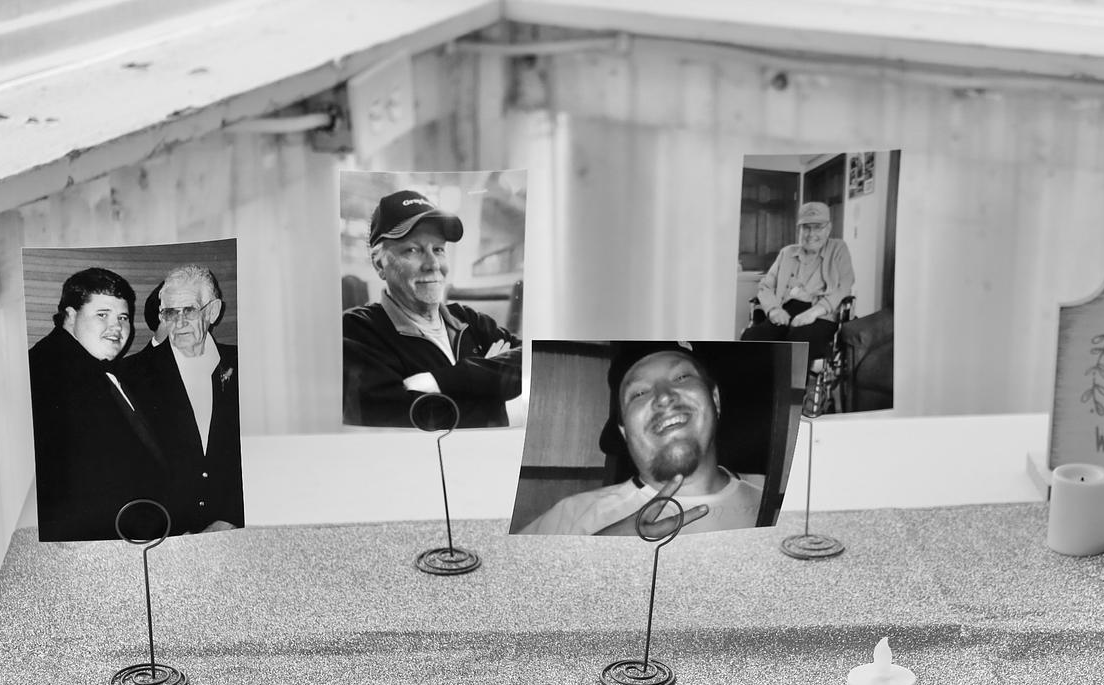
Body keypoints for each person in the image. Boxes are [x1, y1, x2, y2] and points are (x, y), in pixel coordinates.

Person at [519, 347, 762, 535]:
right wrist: (596, 551)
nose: (664, 397)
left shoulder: (773, 500)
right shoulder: (572, 519)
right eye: (639, 393)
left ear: (715, 400)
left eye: (681, 377)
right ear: (624, 431)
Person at [342, 189, 522, 427]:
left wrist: (441, 380)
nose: (433, 264)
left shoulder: (468, 319)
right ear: (379, 264)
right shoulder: (358, 331)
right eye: (412, 250)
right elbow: (399, 421)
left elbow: (532, 363)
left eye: (438, 249)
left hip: (493, 452)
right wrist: (492, 387)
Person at [27, 267, 166, 541]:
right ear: (70, 316)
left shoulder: (85, 363)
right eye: (102, 314)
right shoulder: (49, 373)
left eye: (123, 317)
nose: (117, 327)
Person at [124, 265, 244, 534]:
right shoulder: (131, 376)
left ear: (212, 312)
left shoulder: (244, 363)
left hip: (236, 530)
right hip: (166, 536)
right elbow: (126, 471)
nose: (178, 324)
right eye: (170, 313)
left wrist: (230, 517)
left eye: (189, 311)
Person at [742, 201, 855, 363]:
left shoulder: (838, 249)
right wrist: (773, 309)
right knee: (752, 337)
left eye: (818, 227)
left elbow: (844, 285)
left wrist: (813, 313)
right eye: (806, 227)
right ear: (798, 229)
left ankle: (788, 380)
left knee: (798, 342)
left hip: (821, 316)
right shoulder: (787, 253)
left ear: (828, 228)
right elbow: (766, 286)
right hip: (785, 313)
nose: (811, 234)